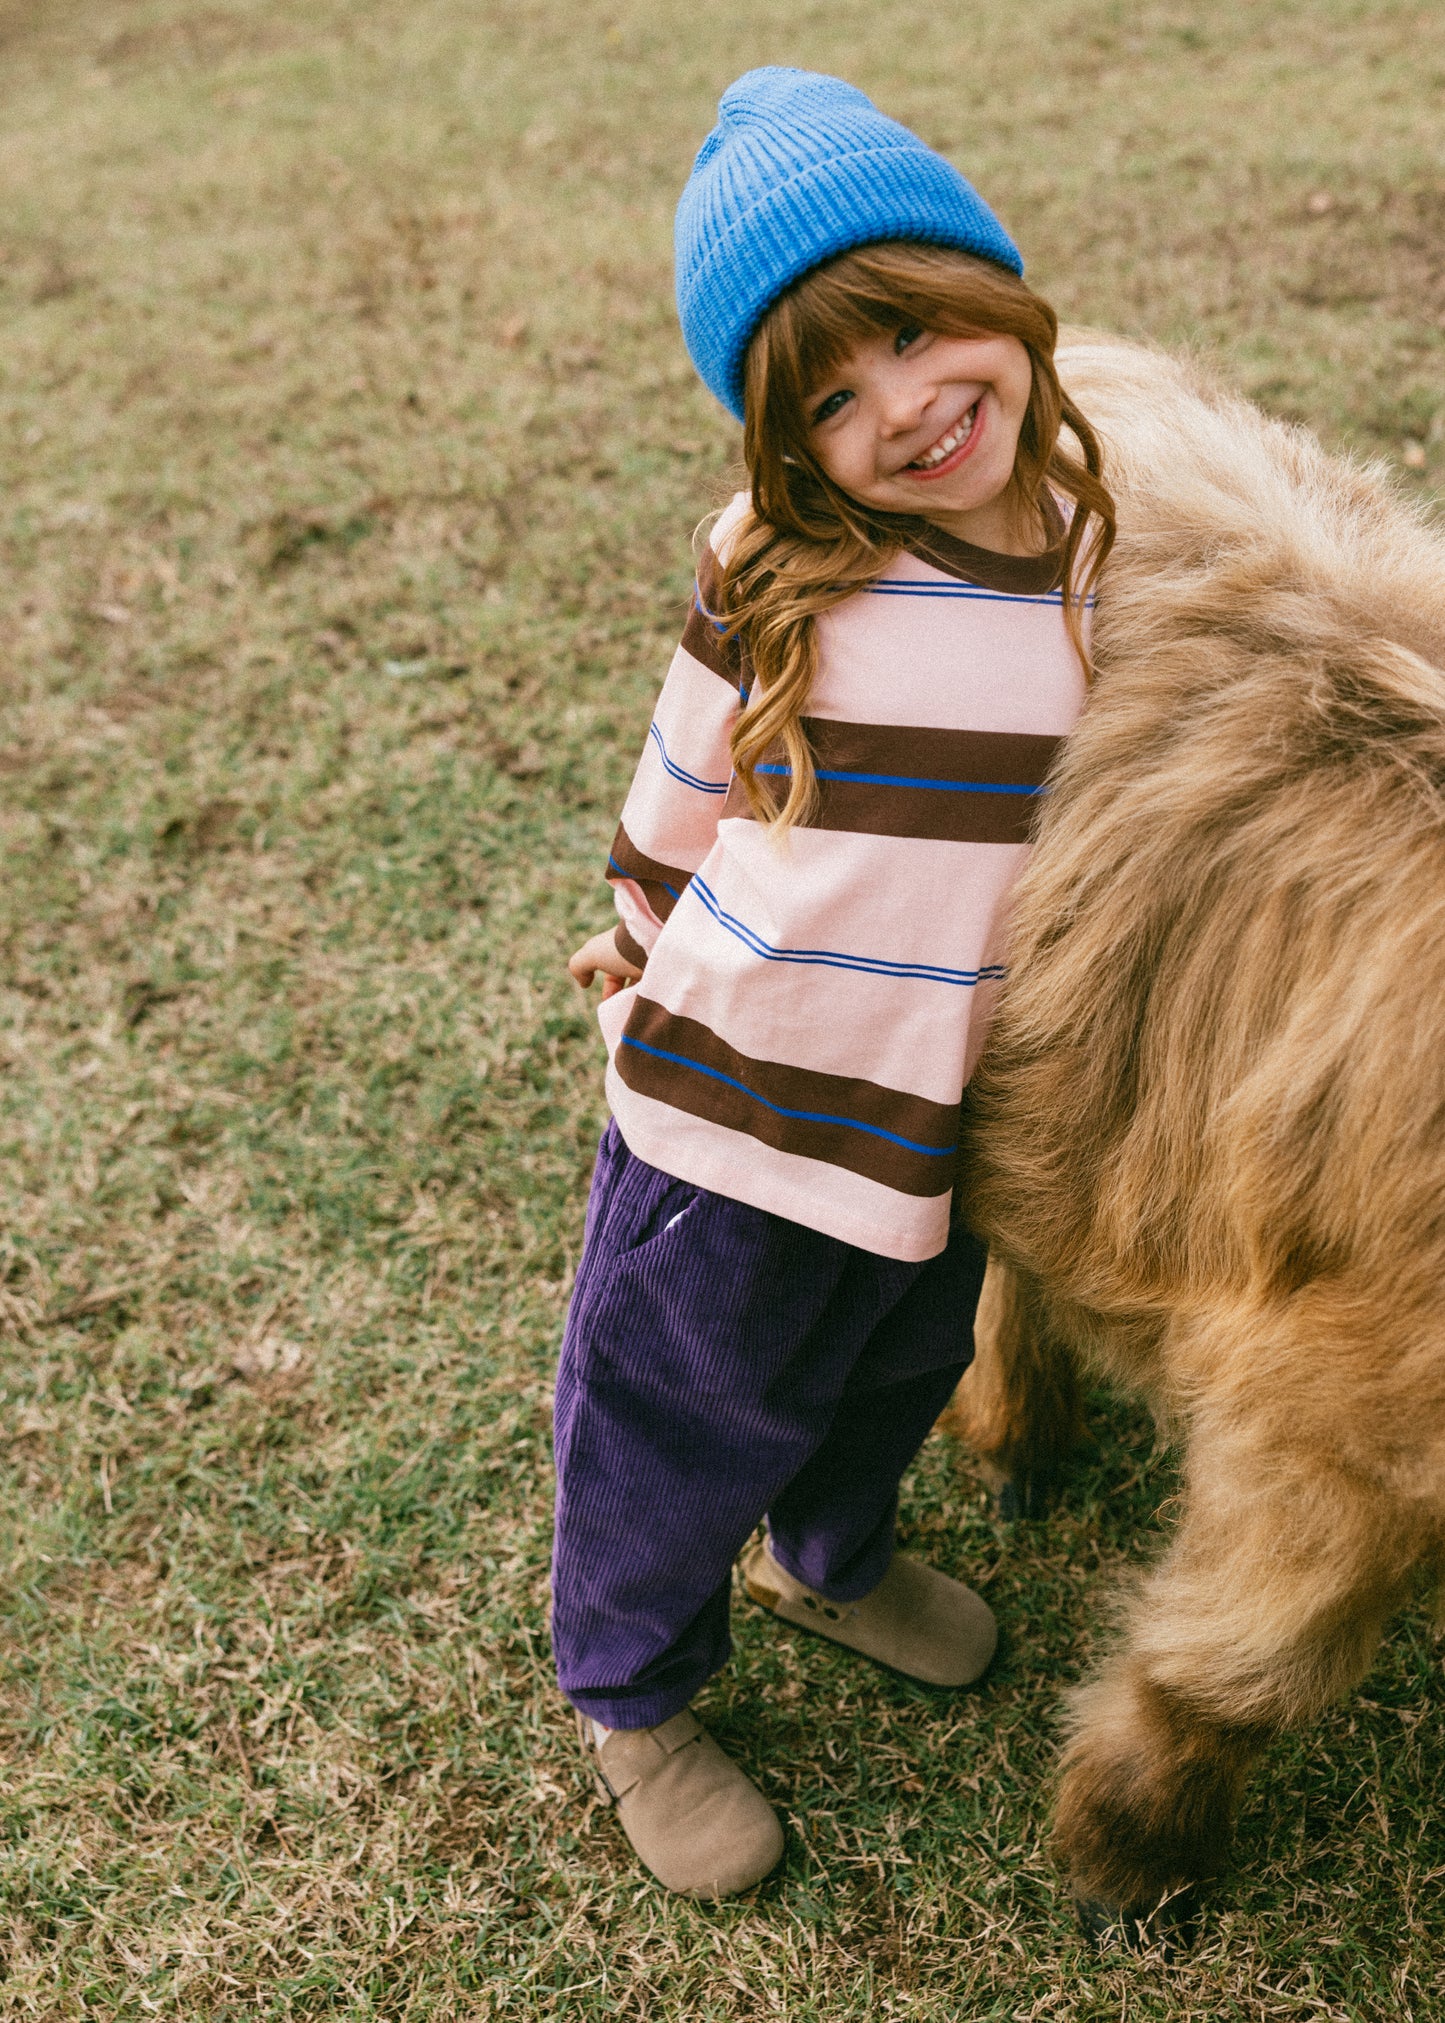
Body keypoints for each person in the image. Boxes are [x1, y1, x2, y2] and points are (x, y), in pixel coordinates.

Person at [553, 67, 1115, 1899]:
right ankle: (631, 1686)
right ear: (782, 439)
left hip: (945, 1121)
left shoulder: (1099, 553)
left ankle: (835, 1554)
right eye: (831, 394)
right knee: (678, 1403)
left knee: (892, 1371)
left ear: (999, 294)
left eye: (917, 332)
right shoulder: (778, 563)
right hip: (741, 1097)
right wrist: (635, 939)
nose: (905, 406)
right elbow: (683, 784)